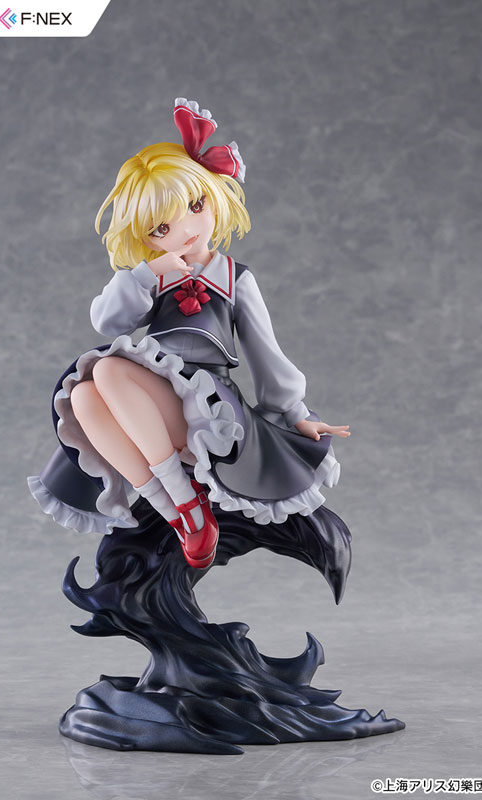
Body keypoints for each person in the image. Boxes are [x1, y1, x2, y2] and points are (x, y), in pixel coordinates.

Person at [27, 98, 350, 569]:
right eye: (162, 227)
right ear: (146, 236)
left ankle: (186, 501)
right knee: (82, 396)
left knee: (109, 370)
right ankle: (180, 513)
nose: (185, 231)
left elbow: (266, 355)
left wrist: (295, 412)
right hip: (150, 402)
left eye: (195, 206)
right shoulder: (153, 278)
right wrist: (147, 273)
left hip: (208, 409)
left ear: (214, 196)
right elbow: (107, 321)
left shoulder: (235, 279)